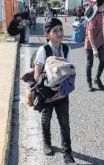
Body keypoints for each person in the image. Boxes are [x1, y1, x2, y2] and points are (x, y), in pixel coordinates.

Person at [32, 18, 76, 165]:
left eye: (61, 29)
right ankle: (47, 143)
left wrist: (63, 92)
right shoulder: (43, 50)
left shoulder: (66, 49)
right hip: (47, 93)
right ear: (47, 35)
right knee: (46, 119)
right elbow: (37, 74)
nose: (59, 33)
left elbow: (70, 73)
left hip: (63, 93)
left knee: (64, 123)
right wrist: (47, 92)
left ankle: (67, 153)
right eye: (55, 31)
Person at [85, 0, 104, 91]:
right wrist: (94, 48)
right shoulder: (93, 17)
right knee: (90, 63)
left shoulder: (100, 13)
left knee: (103, 60)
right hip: (90, 44)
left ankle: (97, 79)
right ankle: (89, 83)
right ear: (102, 4)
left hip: (99, 42)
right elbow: (90, 33)